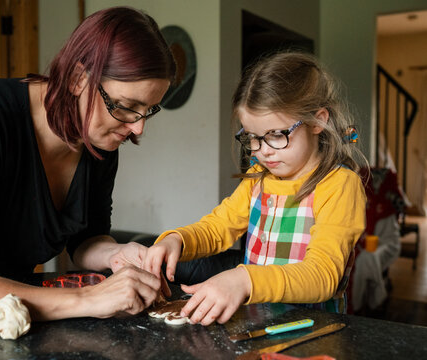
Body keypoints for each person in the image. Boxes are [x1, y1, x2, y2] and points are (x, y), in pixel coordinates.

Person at [0, 6, 175, 321]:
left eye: (147, 110)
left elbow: (85, 239)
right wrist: (87, 298)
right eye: (126, 106)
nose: (137, 127)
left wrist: (117, 252)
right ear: (79, 78)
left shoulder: (99, 140)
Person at [143, 52, 366, 325]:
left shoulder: (339, 185)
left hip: (311, 334)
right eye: (253, 137)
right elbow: (217, 228)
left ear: (317, 121)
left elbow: (323, 276)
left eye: (276, 135)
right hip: (258, 325)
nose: (263, 152)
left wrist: (243, 279)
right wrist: (176, 239)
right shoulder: (258, 178)